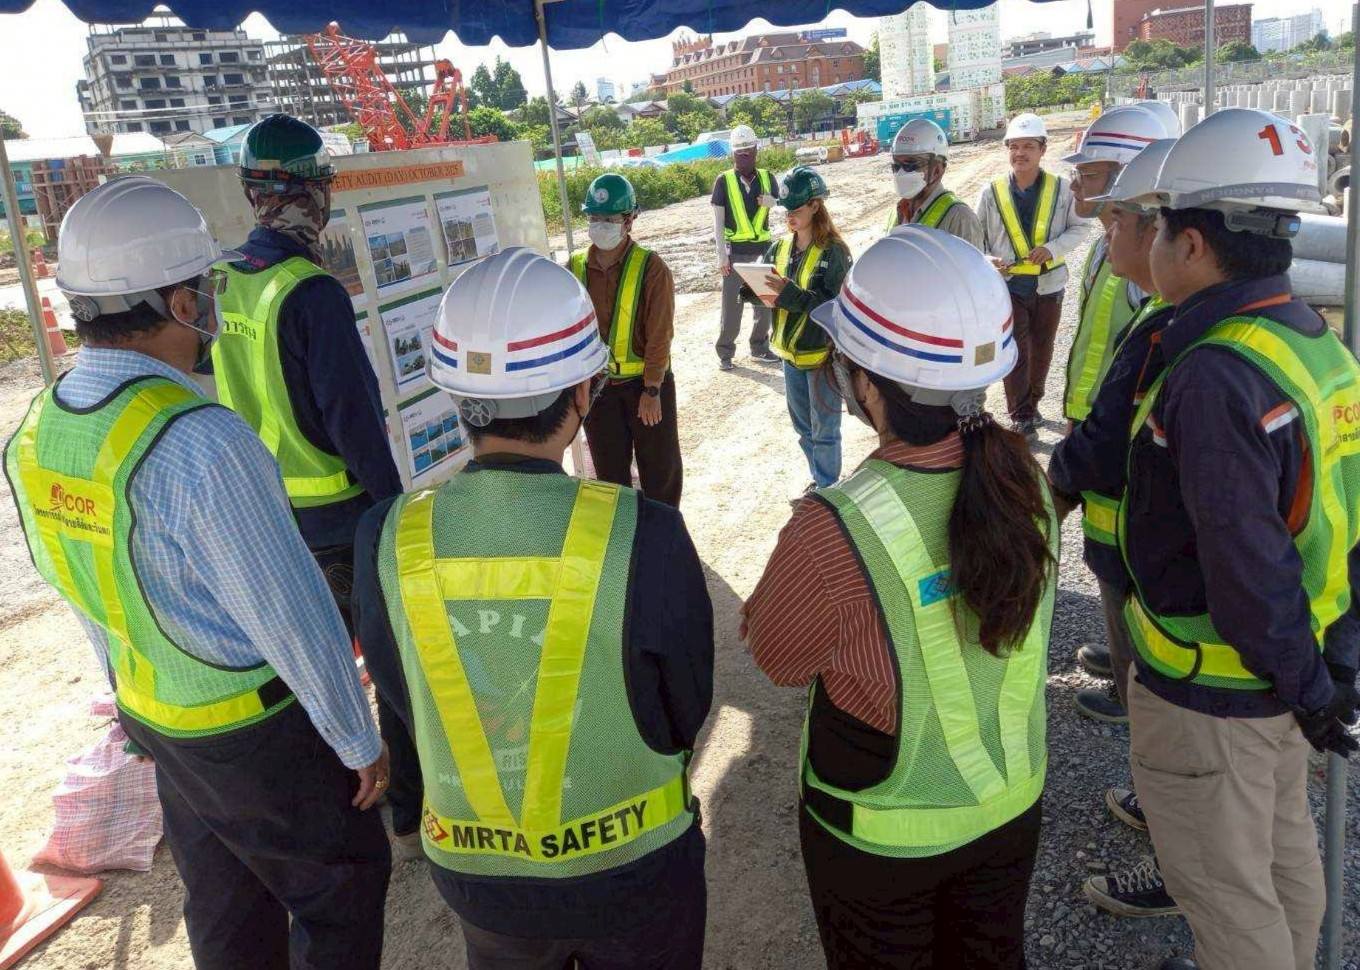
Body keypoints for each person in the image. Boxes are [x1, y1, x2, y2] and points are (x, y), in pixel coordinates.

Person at [3, 177, 391, 970]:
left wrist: (129, 707)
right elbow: (289, 612)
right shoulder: (201, 440)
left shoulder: (37, 431)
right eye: (204, 290)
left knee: (226, 898)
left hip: (157, 718)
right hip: (253, 732)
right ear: (180, 305)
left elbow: (85, 592)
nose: (212, 305)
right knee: (341, 888)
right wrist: (356, 737)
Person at [352, 248, 714, 970]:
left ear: (454, 394)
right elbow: (686, 705)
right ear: (582, 390)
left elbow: (399, 689)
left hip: (481, 883)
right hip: (634, 870)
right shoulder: (644, 530)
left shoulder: (388, 534)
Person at [745, 227, 1059, 970]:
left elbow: (777, 659)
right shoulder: (1028, 485)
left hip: (881, 840)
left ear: (866, 384)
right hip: (1010, 810)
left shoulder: (832, 528)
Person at [1115, 108, 1360, 970]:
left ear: (1190, 244)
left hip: (1214, 693)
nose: (1148, 243)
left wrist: (1309, 686)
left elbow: (1245, 566)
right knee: (1282, 855)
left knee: (1227, 895)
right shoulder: (1313, 343)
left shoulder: (1217, 374)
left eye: (1158, 228)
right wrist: (1326, 674)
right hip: (1289, 676)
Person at [212, 113, 421, 860]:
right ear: (312, 194)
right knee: (389, 666)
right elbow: (354, 420)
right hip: (339, 519)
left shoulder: (221, 280)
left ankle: (335, 806)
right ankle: (407, 813)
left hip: (266, 515)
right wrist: (393, 511)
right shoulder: (310, 290)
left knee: (310, 668)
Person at [1047, 139, 1184, 922]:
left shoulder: (1175, 331)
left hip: (1172, 592)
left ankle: (1180, 865)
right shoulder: (1181, 314)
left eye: (1117, 216)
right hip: (1144, 556)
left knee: (1172, 731)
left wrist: (1046, 493)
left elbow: (1105, 444)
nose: (1102, 223)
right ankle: (1166, 817)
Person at [1058, 104, 1177, 718]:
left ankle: (1134, 690)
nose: (1077, 181)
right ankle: (1123, 650)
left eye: (1090, 170)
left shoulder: (1144, 264)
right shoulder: (1110, 250)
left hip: (1117, 444)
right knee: (1109, 560)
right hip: (1098, 431)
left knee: (1122, 559)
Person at [569, 173, 683, 508]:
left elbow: (660, 333)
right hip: (598, 390)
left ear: (630, 220)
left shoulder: (651, 267)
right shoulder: (575, 266)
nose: (601, 226)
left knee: (659, 475)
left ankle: (663, 533)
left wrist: (652, 389)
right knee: (610, 479)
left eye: (610, 219)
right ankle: (621, 536)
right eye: (594, 218)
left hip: (644, 387)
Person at [977, 112, 1088, 439]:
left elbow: (1080, 227)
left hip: (1048, 285)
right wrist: (988, 259)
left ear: (1042, 150)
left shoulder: (1062, 189)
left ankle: (1034, 403)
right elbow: (977, 238)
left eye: (1028, 146)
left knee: (1042, 349)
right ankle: (1021, 415)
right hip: (1008, 287)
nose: (1020, 153)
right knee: (1015, 351)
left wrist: (1052, 249)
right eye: (1014, 146)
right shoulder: (991, 192)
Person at [746, 166, 851, 495]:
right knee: (804, 429)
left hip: (821, 357)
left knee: (825, 431)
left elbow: (834, 307)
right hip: (790, 357)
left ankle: (828, 490)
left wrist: (789, 294)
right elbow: (767, 293)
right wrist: (751, 288)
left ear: (815, 206)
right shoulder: (779, 248)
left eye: (796, 209)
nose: (789, 215)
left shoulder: (834, 252)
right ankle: (821, 481)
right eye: (786, 210)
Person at [712, 123, 779, 370]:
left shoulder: (767, 178)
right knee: (732, 307)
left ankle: (759, 347)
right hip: (735, 254)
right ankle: (725, 353)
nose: (744, 157)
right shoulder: (724, 181)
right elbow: (718, 222)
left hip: (763, 251)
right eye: (739, 153)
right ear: (733, 154)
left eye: (748, 152)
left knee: (765, 304)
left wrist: (770, 201)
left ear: (756, 151)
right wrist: (721, 256)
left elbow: (782, 201)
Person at [882, 117, 984, 248]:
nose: (900, 173)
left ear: (937, 170)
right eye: (896, 165)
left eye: (911, 165)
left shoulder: (960, 219)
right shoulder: (896, 213)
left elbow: (971, 262)